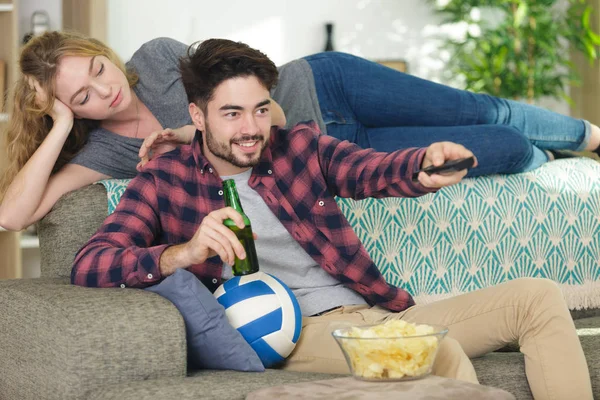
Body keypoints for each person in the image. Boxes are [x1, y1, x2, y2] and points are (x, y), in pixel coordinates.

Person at [71, 38, 592, 400]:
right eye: (232, 113)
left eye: (260, 108)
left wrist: (421, 166)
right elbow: (90, 264)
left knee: (536, 298)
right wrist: (180, 254)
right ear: (197, 115)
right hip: (295, 336)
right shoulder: (166, 179)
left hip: (375, 315)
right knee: (433, 352)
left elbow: (370, 169)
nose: (251, 128)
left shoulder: (296, 146)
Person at [1, 31, 599, 231]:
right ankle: (551, 150)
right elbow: (12, 216)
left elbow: (263, 109)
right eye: (82, 96)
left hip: (325, 85)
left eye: (98, 70)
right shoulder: (108, 150)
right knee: (507, 148)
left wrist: (192, 136)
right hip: (336, 154)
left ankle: (591, 136)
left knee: (476, 111)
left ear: (103, 54)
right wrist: (56, 125)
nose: (105, 89)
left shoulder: (158, 59)